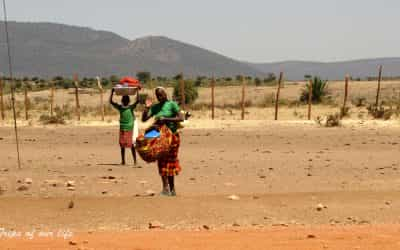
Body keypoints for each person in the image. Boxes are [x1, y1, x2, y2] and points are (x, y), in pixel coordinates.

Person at [142, 87, 184, 196]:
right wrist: (146, 108)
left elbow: (181, 118)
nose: (160, 97)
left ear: (166, 94)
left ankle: (172, 189)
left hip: (172, 137)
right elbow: (144, 119)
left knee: (171, 162)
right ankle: (165, 188)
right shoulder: (155, 107)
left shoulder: (172, 104)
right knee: (161, 162)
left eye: (162, 94)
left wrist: (166, 119)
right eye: (158, 96)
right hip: (159, 137)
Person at [110, 88, 139, 166]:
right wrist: (112, 92)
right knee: (122, 144)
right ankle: (123, 161)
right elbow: (111, 102)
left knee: (131, 144)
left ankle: (134, 161)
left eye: (126, 100)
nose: (125, 101)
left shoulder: (130, 107)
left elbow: (137, 101)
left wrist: (137, 91)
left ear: (128, 101)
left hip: (129, 127)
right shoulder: (121, 107)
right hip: (123, 127)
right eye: (124, 100)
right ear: (123, 101)